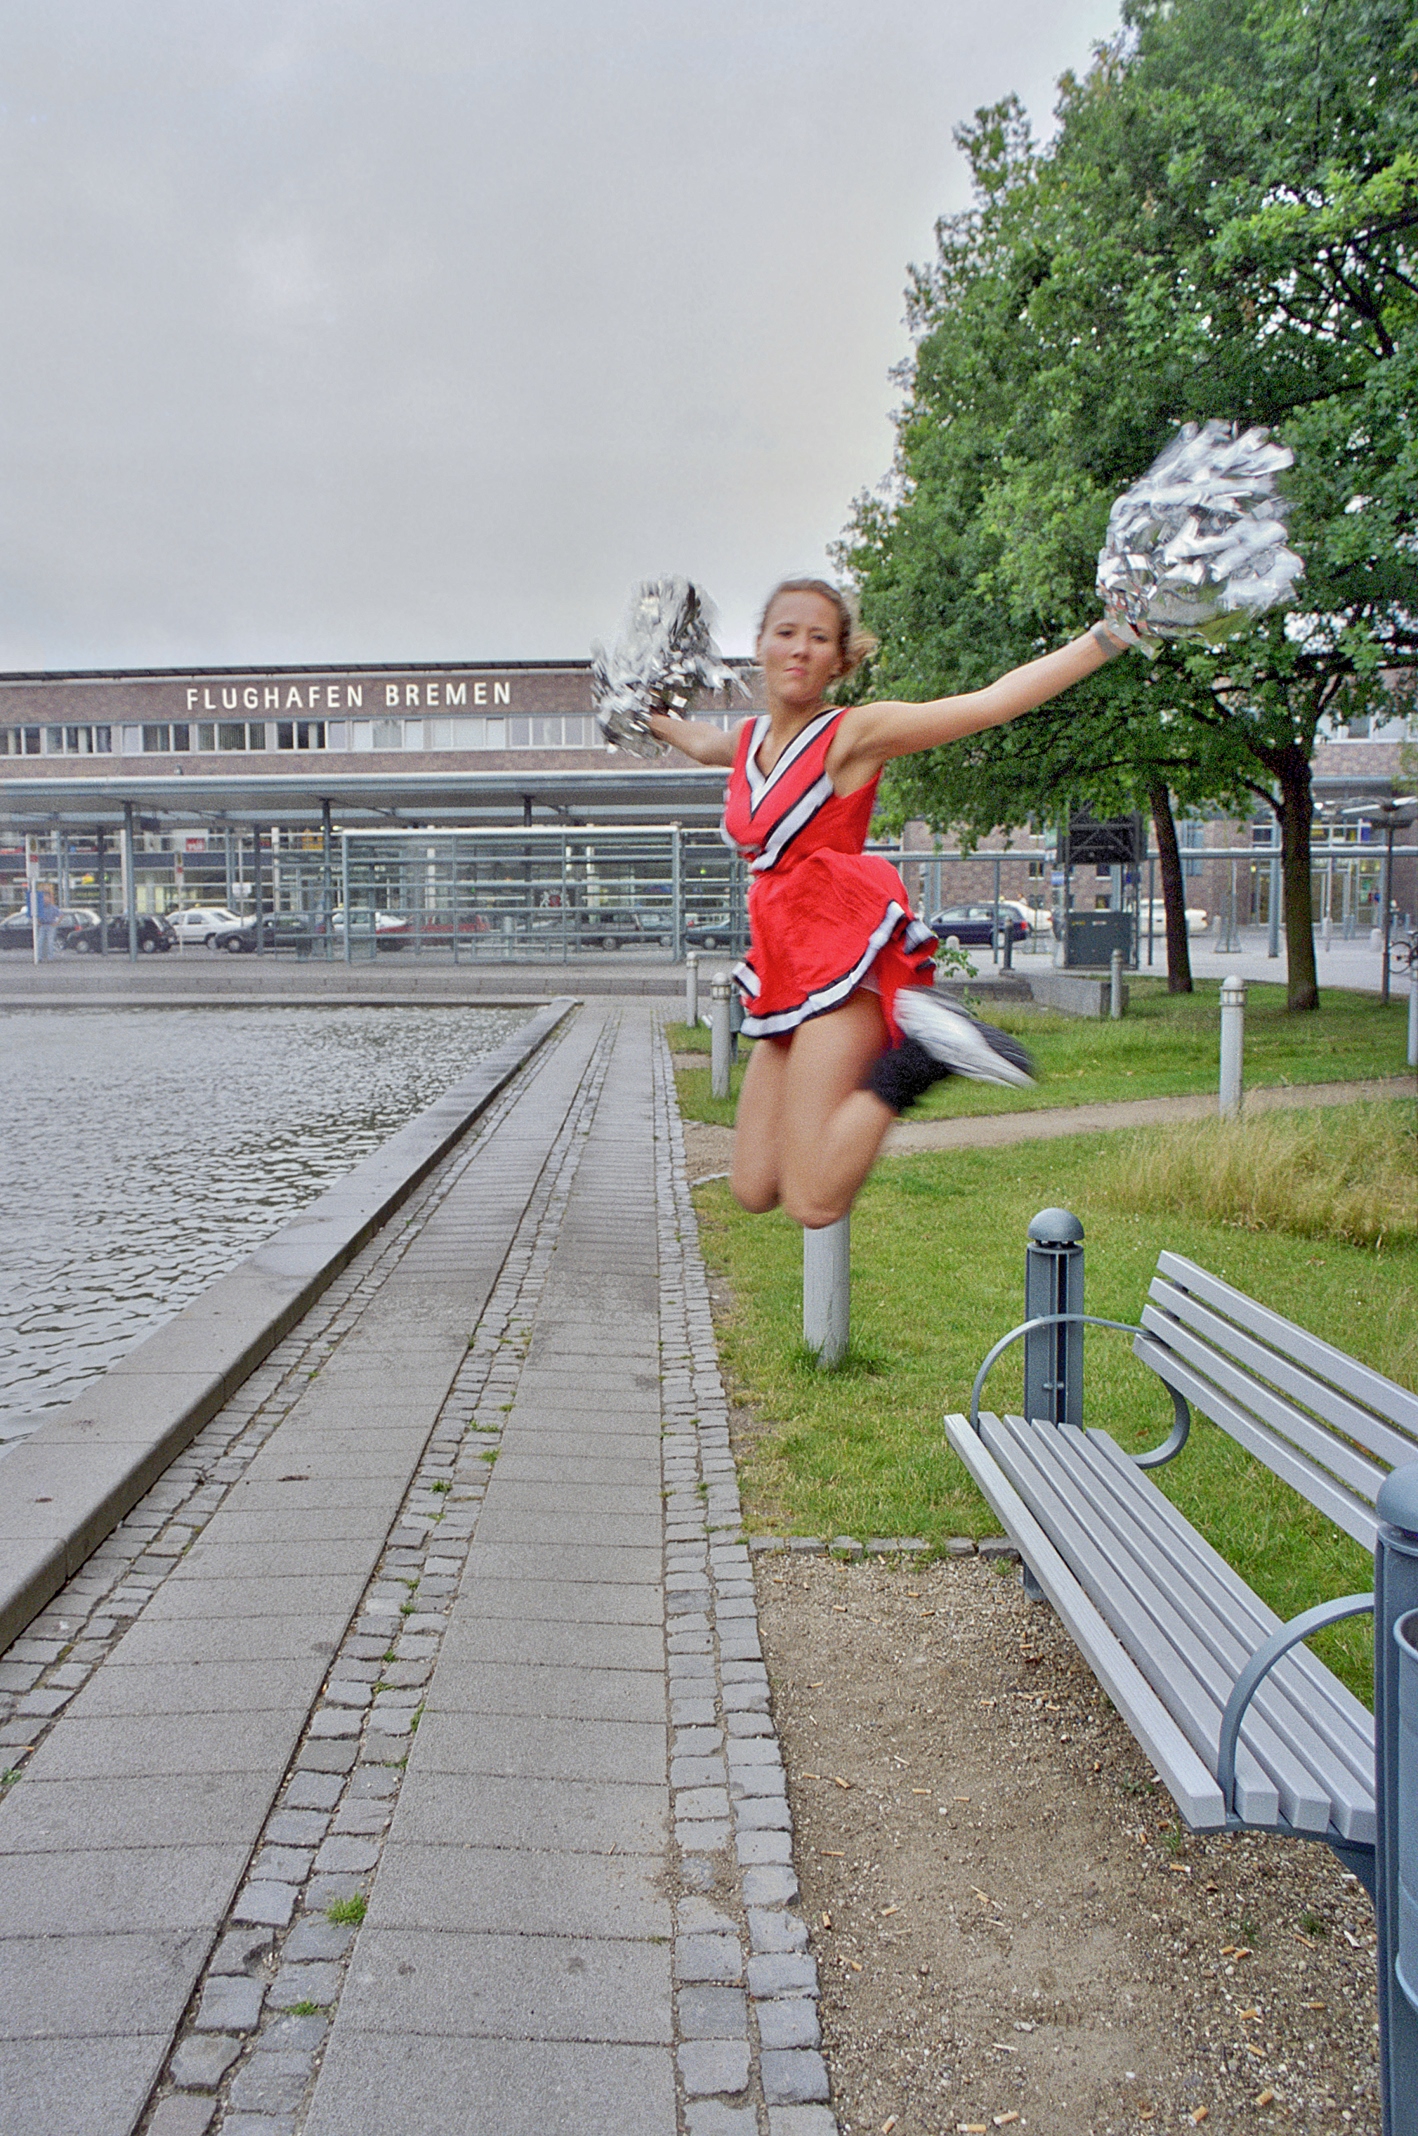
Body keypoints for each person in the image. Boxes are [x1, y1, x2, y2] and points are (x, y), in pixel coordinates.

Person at [648, 578, 1131, 1229]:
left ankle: (921, 1058)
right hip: (783, 964)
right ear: (759, 645)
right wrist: (631, 709)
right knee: (754, 1186)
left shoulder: (852, 735)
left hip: (843, 960)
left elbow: (990, 704)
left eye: (819, 639)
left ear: (838, 661)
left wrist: (1108, 637)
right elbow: (702, 741)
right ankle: (914, 1054)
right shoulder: (748, 743)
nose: (799, 649)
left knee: (816, 1202)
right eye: (786, 633)